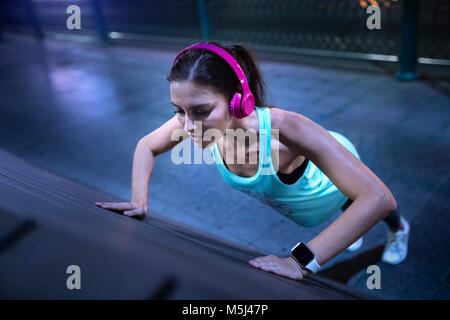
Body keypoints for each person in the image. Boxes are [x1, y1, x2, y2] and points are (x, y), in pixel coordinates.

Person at [94, 41, 410, 281]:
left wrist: (299, 260)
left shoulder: (286, 130)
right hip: (302, 199)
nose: (188, 127)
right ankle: (350, 229)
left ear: (238, 101)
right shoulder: (196, 120)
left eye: (201, 112)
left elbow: (379, 198)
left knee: (357, 202)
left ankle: (399, 230)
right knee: (347, 216)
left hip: (324, 184)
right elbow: (146, 147)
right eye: (178, 110)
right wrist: (139, 200)